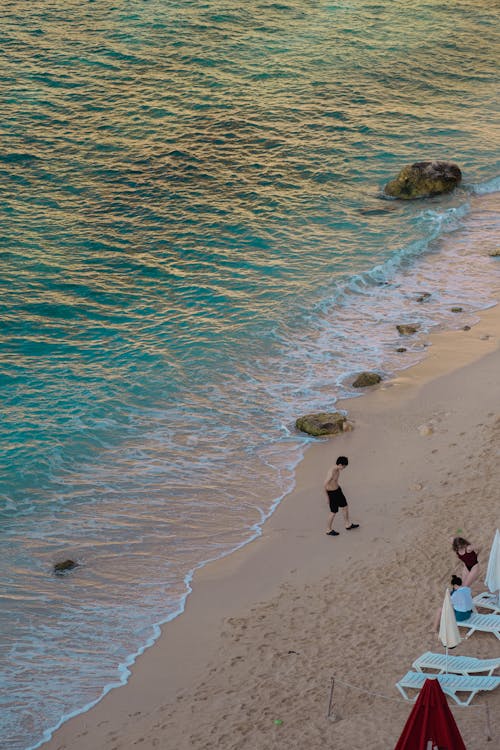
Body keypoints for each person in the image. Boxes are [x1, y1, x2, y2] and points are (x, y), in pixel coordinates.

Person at [324, 456, 359, 536]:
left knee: (345, 506)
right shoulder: (332, 472)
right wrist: (327, 498)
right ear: (340, 464)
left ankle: (347, 524)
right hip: (332, 494)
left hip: (338, 491)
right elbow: (325, 485)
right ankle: (328, 530)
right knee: (333, 512)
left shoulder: (337, 469)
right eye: (344, 466)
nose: (344, 468)